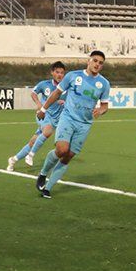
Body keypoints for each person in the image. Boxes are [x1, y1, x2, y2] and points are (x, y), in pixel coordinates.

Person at [34, 52, 111, 198]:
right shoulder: (73, 76)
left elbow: (105, 106)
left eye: (101, 63)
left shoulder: (104, 84)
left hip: (85, 124)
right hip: (68, 118)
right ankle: (43, 174)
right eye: (95, 60)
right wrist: (43, 108)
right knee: (62, 149)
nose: (97, 64)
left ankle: (47, 188)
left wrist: (100, 111)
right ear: (88, 61)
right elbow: (56, 93)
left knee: (68, 156)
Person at [7, 61, 66, 171]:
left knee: (33, 142)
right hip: (43, 115)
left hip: (56, 119)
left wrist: (64, 103)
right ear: (52, 73)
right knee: (48, 131)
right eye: (57, 72)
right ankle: (31, 155)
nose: (59, 75)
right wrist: (39, 105)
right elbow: (33, 93)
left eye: (62, 73)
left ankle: (13, 160)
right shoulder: (44, 84)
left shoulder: (66, 88)